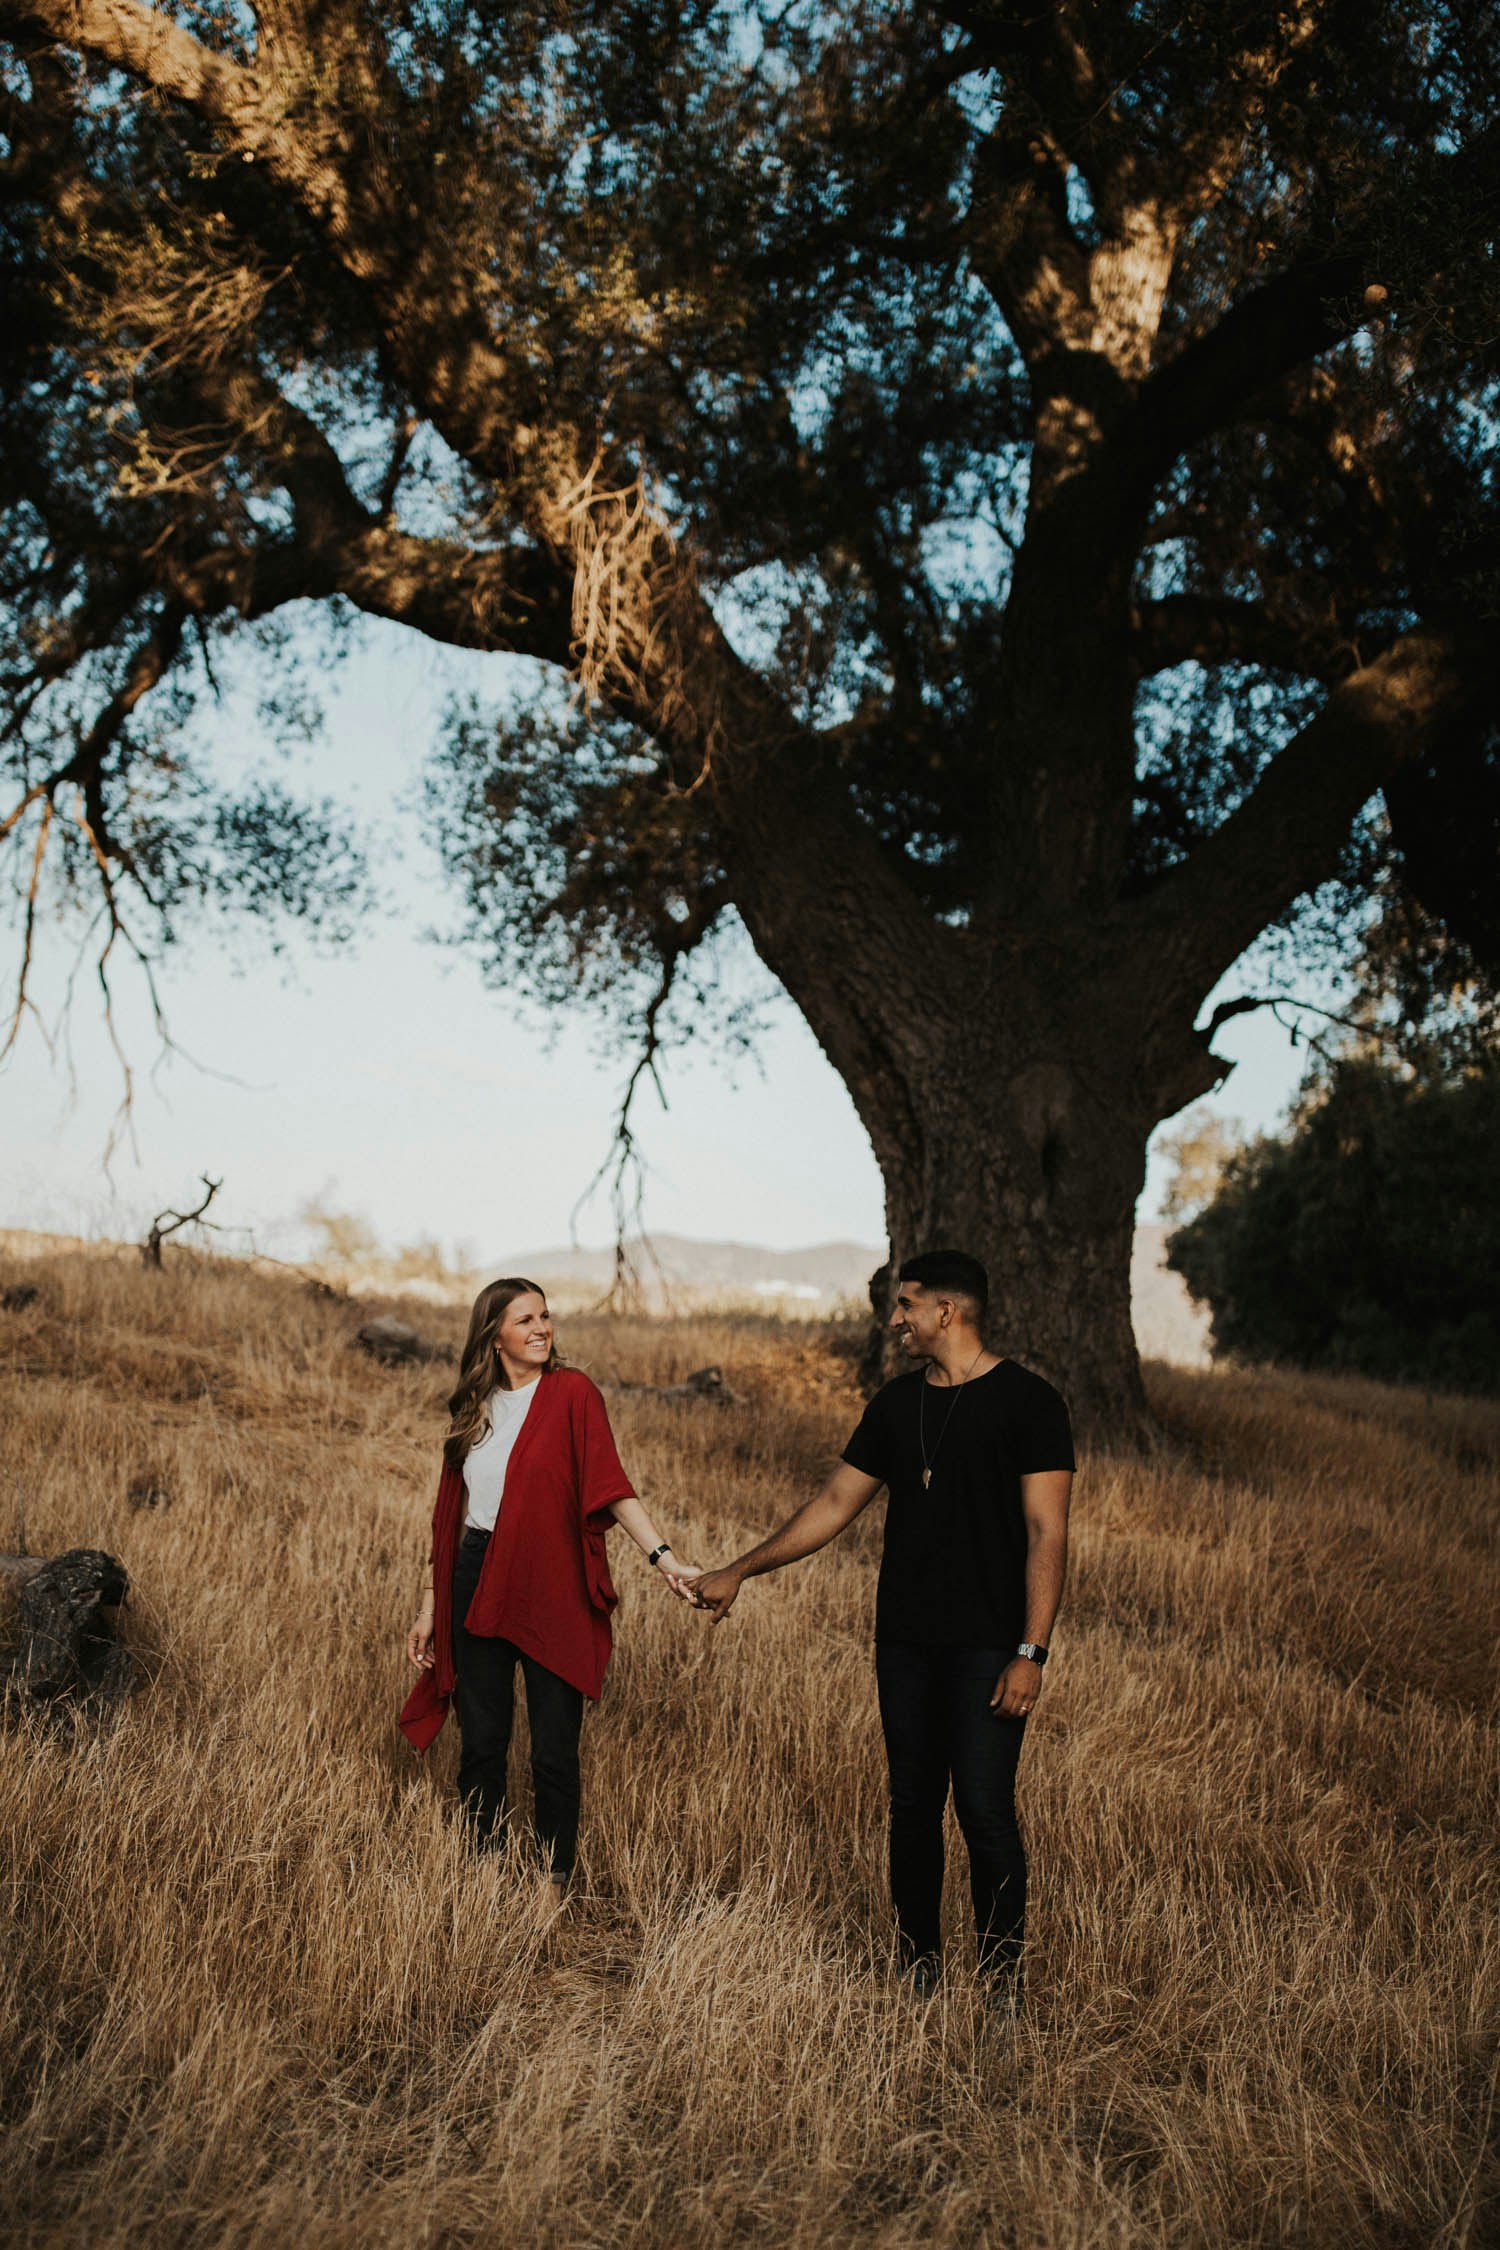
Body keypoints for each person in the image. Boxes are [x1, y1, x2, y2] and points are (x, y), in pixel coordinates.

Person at [691, 1250, 1073, 2008]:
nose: (894, 1319)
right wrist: (740, 1569)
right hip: (903, 1642)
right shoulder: (897, 1404)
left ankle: (1001, 1986)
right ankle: (918, 1968)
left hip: (990, 1646)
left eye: (906, 1305)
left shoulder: (1031, 1403)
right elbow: (834, 1504)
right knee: (912, 1807)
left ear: (946, 1312)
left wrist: (1030, 1652)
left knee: (985, 1810)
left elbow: (1047, 1533)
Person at [401, 1277, 699, 1908]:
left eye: (545, 1316)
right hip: (475, 1573)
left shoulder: (572, 1393)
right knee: (482, 1741)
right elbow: (449, 1517)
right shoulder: (474, 1407)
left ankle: (550, 1882)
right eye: (525, 1320)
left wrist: (664, 1557)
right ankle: (482, 1872)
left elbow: (610, 1486)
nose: (541, 1328)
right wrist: (430, 1607)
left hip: (548, 1579)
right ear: (494, 1336)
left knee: (554, 1746)